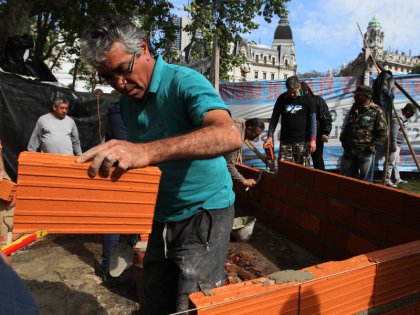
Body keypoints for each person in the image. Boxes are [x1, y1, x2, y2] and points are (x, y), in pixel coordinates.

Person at [78, 16, 242, 314]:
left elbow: (229, 134)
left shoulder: (184, 82)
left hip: (203, 213)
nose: (119, 83)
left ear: (143, 49)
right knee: (154, 300)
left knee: (192, 305)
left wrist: (145, 152)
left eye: (122, 70)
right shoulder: (128, 100)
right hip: (159, 216)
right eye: (107, 77)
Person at [101, 101, 138, 285]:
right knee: (113, 225)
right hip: (117, 177)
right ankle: (108, 270)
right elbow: (125, 144)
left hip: (138, 178)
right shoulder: (119, 112)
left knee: (137, 224)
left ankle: (131, 260)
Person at [264, 76, 316, 166]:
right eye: (289, 91)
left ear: (299, 87)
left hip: (302, 142)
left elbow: (312, 120)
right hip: (285, 141)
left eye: (294, 92)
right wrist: (270, 135)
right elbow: (274, 118)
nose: (291, 94)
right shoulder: (282, 98)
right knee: (285, 169)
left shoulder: (308, 99)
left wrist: (313, 139)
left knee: (303, 170)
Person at [340, 85, 387, 182]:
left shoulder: (377, 111)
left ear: (366, 96)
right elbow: (347, 125)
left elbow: (382, 133)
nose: (355, 97)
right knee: (346, 179)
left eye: (357, 96)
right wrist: (344, 140)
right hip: (350, 150)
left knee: (365, 182)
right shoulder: (354, 108)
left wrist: (372, 148)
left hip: (365, 152)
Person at [301, 81, 332, 170]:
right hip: (301, 136)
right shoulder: (298, 102)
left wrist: (325, 133)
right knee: (301, 161)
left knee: (317, 159)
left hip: (317, 135)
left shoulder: (318, 100)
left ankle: (321, 181)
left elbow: (326, 118)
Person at [225, 118, 265, 188]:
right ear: (249, 129)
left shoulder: (242, 122)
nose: (257, 137)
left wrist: (238, 151)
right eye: (256, 134)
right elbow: (229, 165)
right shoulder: (236, 138)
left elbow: (242, 134)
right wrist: (244, 181)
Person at [385, 103, 417, 187]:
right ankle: (387, 179)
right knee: (390, 162)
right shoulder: (397, 117)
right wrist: (393, 145)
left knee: (396, 162)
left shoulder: (403, 117)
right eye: (412, 113)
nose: (412, 115)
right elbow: (393, 132)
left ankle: (397, 179)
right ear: (407, 110)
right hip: (394, 144)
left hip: (398, 144)